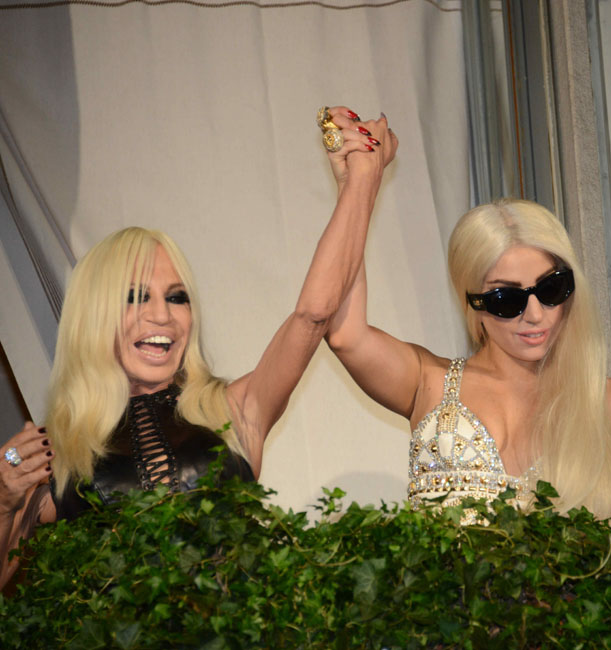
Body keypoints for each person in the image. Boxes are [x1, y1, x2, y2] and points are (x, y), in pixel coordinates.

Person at [0, 106, 398, 589]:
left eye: (176, 297)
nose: (162, 316)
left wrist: (359, 183)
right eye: (136, 297)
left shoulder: (234, 410)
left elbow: (313, 315)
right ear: (94, 315)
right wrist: (4, 501)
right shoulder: (60, 449)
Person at [326, 198, 611, 525]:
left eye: (551, 289)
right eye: (506, 299)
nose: (535, 315)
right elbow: (342, 332)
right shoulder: (429, 380)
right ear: (473, 303)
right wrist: (357, 185)